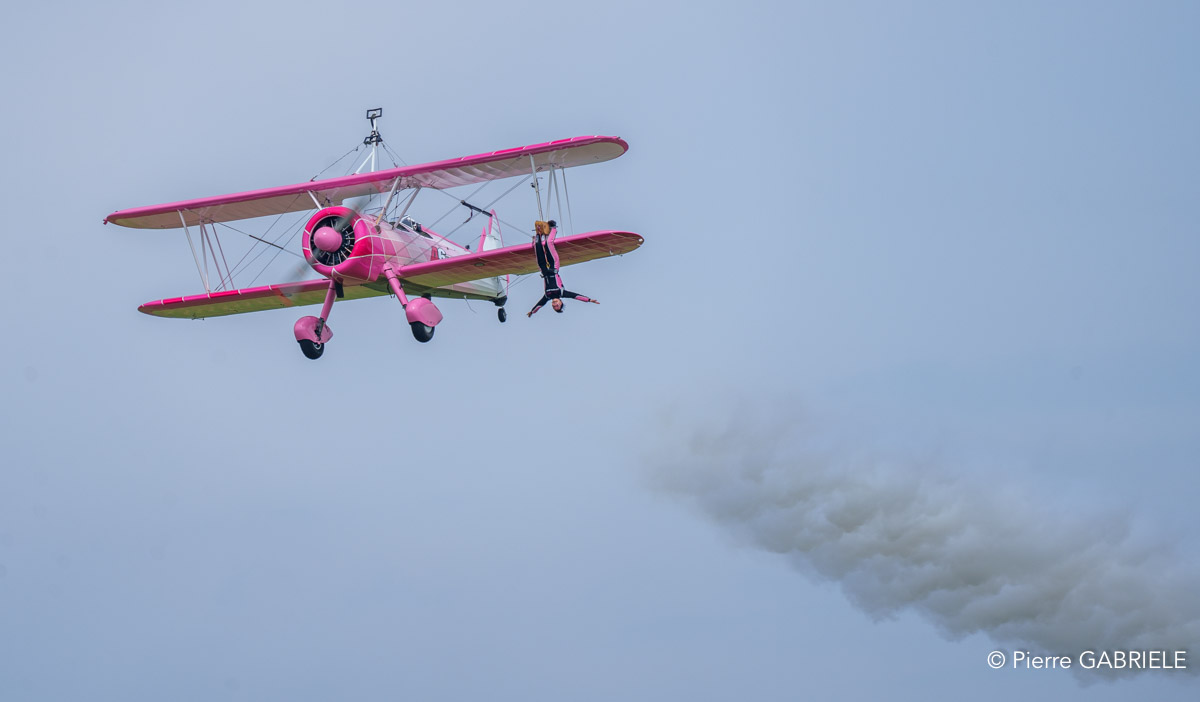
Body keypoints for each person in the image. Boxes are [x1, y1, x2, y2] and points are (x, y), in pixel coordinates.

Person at [527, 219, 600, 316]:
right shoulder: (561, 293)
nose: (555, 304)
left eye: (554, 306)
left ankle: (539, 232)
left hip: (543, 269)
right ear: (561, 302)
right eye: (557, 305)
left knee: (537, 245)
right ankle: (553, 228)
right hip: (553, 266)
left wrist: (532, 312)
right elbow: (575, 296)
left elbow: (539, 305)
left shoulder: (547, 296)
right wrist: (589, 300)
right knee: (548, 244)